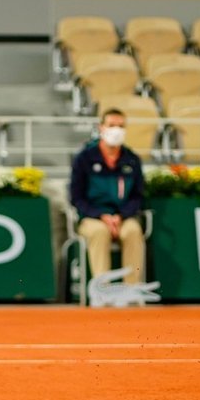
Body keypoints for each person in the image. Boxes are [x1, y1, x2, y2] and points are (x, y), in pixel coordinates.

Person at [69, 107, 146, 285]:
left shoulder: (132, 159)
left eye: (121, 126)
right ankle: (102, 291)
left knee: (133, 232)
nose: (116, 130)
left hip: (123, 217)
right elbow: (76, 197)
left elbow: (138, 196)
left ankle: (131, 289)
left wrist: (120, 216)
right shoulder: (85, 157)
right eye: (112, 125)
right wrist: (101, 216)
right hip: (92, 217)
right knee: (99, 232)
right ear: (101, 127)